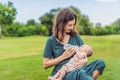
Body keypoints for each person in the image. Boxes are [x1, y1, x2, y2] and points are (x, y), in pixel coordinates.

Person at [43, 8, 105, 80]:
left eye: (73, 25)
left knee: (100, 63)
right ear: (61, 24)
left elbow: (85, 50)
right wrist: (63, 56)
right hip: (63, 73)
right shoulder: (51, 40)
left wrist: (85, 60)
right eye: (69, 25)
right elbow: (45, 64)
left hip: (78, 68)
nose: (72, 28)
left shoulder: (75, 36)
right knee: (80, 73)